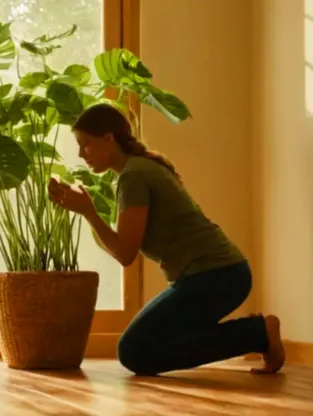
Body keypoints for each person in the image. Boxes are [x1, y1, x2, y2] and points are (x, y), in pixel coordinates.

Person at [47, 103, 285, 376]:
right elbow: (122, 246)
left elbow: (125, 253)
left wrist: (88, 211)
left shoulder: (134, 175)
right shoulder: (139, 168)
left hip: (216, 277)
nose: (80, 153)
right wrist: (86, 211)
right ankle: (254, 333)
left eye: (85, 144)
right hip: (218, 275)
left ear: (108, 138)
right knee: (141, 345)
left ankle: (257, 333)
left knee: (135, 351)